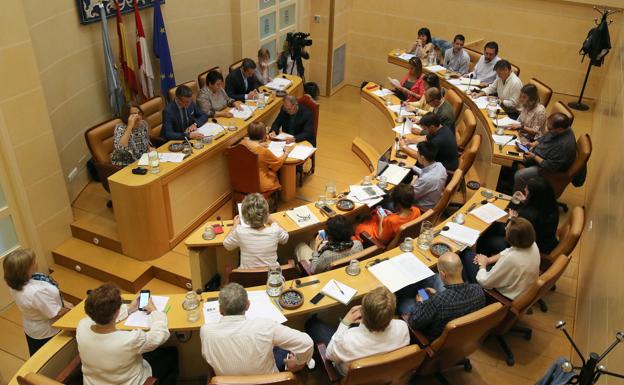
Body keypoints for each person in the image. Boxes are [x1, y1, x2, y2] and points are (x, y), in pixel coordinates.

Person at [200, 283, 313, 375]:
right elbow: (306, 343)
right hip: (268, 382)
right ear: (248, 305)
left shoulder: (206, 332)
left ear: (220, 310)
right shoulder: (265, 327)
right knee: (279, 347)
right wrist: (298, 363)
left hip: (227, 382)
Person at [76, 283, 178, 385]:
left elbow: (99, 316)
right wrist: (155, 311)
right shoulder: (129, 340)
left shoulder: (82, 326)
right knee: (171, 354)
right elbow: (159, 336)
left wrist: (129, 308)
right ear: (117, 311)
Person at [305, 287, 410, 376]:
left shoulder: (347, 340)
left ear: (362, 313)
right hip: (383, 374)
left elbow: (328, 355)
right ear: (392, 314)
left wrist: (344, 323)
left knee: (312, 325)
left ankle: (312, 321)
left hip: (349, 374)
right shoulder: (403, 327)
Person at [399, 252, 486, 342]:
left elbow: (414, 322)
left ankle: (417, 291)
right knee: (426, 286)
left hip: (432, 336)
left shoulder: (438, 301)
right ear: (461, 268)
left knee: (403, 303)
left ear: (443, 274)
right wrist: (434, 296)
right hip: (460, 334)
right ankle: (420, 290)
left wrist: (420, 302)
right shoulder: (478, 290)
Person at [3, 249, 73, 355]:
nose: (36, 263)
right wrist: (73, 310)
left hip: (32, 326)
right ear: (24, 270)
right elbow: (56, 313)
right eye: (33, 262)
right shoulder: (36, 293)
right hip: (47, 332)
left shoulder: (15, 281)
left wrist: (62, 301)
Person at [478, 176, 559, 256]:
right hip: (539, 240)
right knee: (494, 226)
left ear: (534, 196)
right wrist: (526, 201)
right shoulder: (551, 206)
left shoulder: (529, 215)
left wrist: (511, 218)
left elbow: (511, 236)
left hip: (523, 248)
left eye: (527, 191)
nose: (524, 190)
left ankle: (482, 262)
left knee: (487, 240)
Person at [462, 218, 540, 300]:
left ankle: (467, 292)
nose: (505, 228)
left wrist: (482, 264)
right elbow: (509, 251)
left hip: (503, 295)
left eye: (507, 229)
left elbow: (484, 282)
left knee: (466, 254)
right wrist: (488, 260)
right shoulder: (532, 244)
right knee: (474, 255)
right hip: (519, 283)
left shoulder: (511, 259)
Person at [513, 113, 576, 192]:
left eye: (550, 129)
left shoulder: (563, 146)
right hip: (538, 154)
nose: (547, 129)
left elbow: (550, 167)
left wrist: (534, 157)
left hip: (546, 169)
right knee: (512, 154)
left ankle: (519, 200)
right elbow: (546, 136)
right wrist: (533, 144)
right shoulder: (562, 128)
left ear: (559, 129)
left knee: (520, 176)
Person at [223, 193, 289, 268]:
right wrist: (272, 221)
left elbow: (227, 244)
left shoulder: (240, 232)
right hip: (271, 277)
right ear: (266, 214)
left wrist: (235, 224)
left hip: (247, 278)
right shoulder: (275, 230)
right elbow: (285, 238)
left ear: (244, 217)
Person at [295, 215, 364, 274]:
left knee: (300, 246)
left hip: (322, 271)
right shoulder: (358, 244)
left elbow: (313, 270)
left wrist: (316, 248)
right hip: (345, 269)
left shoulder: (327, 255)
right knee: (312, 241)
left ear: (330, 236)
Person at [354, 183, 421, 244]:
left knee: (360, 227)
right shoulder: (417, 210)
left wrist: (381, 221)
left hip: (383, 239)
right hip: (404, 238)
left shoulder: (391, 220)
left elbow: (382, 240)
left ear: (397, 202)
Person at [241, 122, 294, 192]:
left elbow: (250, 144)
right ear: (263, 135)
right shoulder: (263, 151)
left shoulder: (243, 143)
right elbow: (278, 162)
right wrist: (286, 152)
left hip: (243, 180)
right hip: (260, 183)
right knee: (273, 173)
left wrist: (260, 144)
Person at [409, 141, 447, 210]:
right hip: (433, 198)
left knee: (389, 202)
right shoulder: (440, 166)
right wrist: (412, 167)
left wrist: (412, 182)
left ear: (422, 157)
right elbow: (427, 173)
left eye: (417, 153)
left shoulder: (425, 179)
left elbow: (409, 197)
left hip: (421, 208)